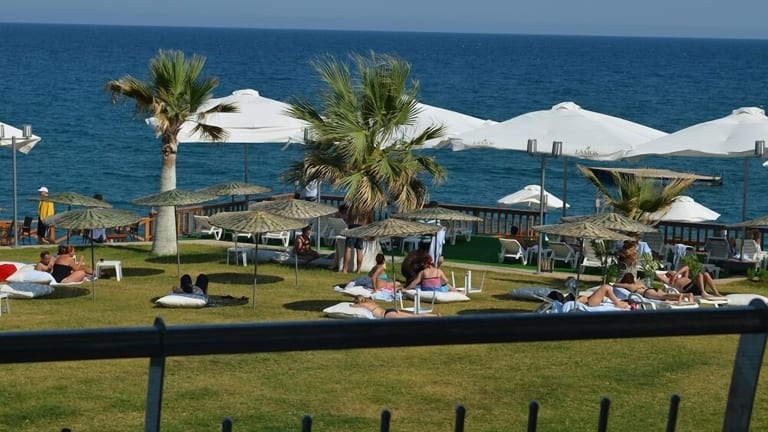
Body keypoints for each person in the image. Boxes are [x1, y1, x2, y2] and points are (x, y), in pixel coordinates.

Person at [613, 273, 695, 304]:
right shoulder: (638, 283)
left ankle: (680, 296)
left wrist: (620, 281)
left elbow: (616, 284)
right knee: (665, 295)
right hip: (652, 289)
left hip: (647, 292)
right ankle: (687, 295)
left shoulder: (630, 285)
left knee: (664, 296)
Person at [655, 265, 724, 298]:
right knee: (700, 275)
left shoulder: (683, 277)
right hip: (688, 290)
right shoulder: (670, 282)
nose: (673, 271)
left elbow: (687, 267)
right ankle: (703, 292)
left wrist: (677, 273)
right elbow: (657, 275)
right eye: (670, 272)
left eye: (672, 271)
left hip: (696, 286)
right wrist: (665, 274)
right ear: (669, 276)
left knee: (706, 274)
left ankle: (716, 293)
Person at [350, 295, 439, 318]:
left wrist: (352, 303)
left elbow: (352, 306)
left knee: (411, 318)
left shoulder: (363, 304)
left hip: (386, 315)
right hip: (389, 310)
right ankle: (435, 316)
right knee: (414, 316)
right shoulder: (370, 302)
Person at [548, 284, 629, 309]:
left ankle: (618, 302)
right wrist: (579, 299)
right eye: (560, 295)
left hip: (589, 300)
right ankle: (618, 303)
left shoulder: (567, 299)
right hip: (589, 303)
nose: (561, 295)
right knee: (605, 287)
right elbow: (576, 303)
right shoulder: (567, 303)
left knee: (607, 290)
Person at [341, 208, 367, 273]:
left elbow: (348, 218)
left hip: (353, 226)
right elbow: (368, 219)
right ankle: (358, 270)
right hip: (361, 227)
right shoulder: (365, 207)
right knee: (359, 250)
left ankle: (345, 269)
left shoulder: (352, 206)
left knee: (348, 248)